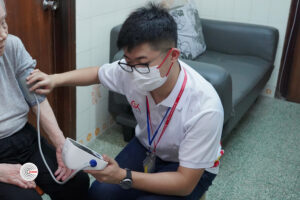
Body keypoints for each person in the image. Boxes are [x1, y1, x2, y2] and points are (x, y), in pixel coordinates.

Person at [28, 3, 224, 200]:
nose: (135, 71)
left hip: (188, 168)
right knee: (99, 194)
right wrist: (54, 79)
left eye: (143, 63)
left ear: (173, 56)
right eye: (129, 61)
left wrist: (123, 176)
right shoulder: (130, 70)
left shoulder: (205, 107)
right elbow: (97, 73)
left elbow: (184, 184)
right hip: (148, 148)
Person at [0, 1, 89, 200]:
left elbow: (36, 96)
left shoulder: (12, 46)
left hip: (24, 138)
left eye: (3, 23)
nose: (3, 35)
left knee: (76, 181)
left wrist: (60, 145)